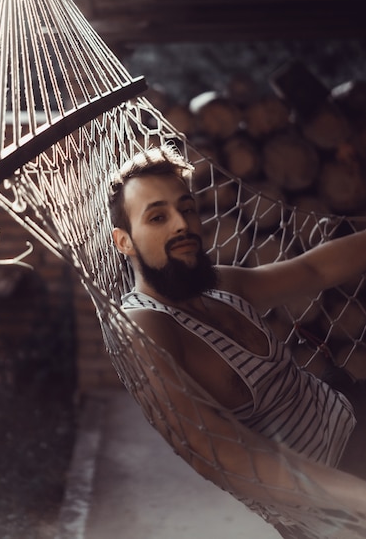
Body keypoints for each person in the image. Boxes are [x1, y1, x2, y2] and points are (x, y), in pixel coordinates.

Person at [108, 144, 366, 533]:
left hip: (349, 412)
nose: (181, 224)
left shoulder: (218, 286)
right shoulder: (144, 327)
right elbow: (225, 455)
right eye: (157, 216)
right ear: (124, 241)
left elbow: (312, 270)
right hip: (327, 498)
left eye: (187, 208)